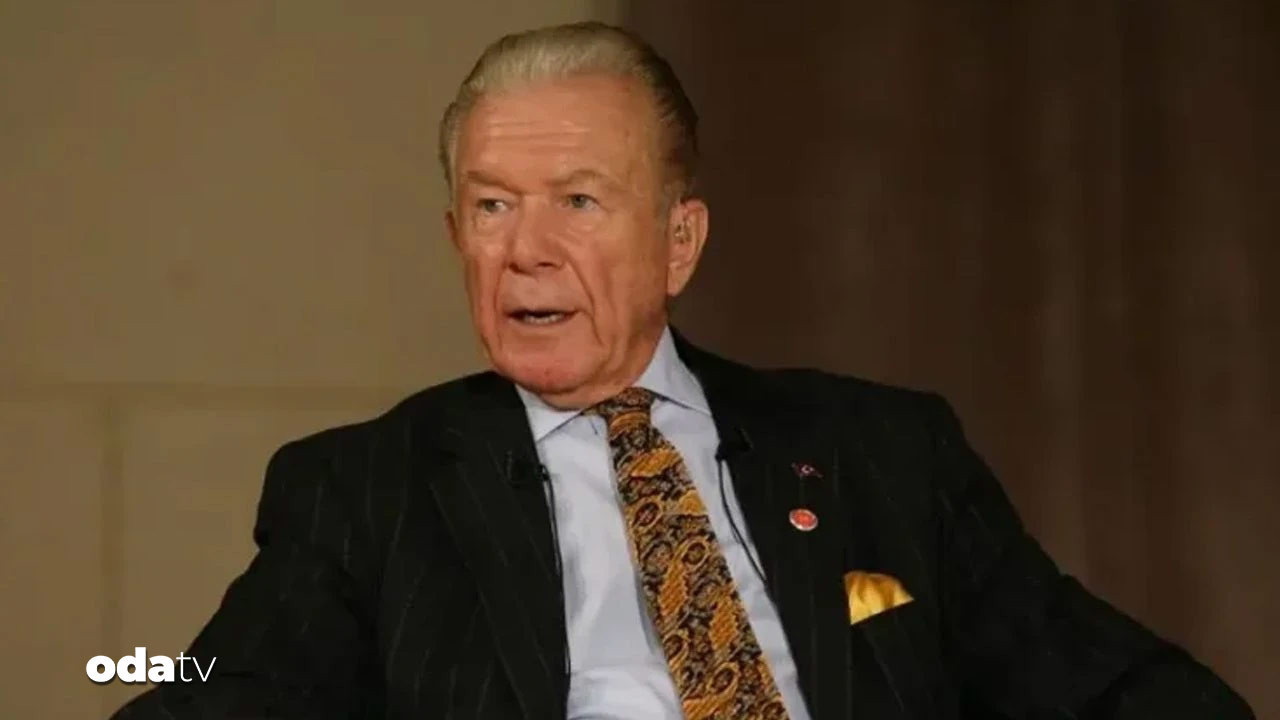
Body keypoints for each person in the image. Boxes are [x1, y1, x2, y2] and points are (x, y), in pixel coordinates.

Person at [112, 21, 1252, 720]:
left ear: (678, 242)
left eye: (578, 201)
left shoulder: (884, 454)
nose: (525, 248)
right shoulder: (365, 493)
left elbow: (1115, 689)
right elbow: (223, 700)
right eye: (491, 206)